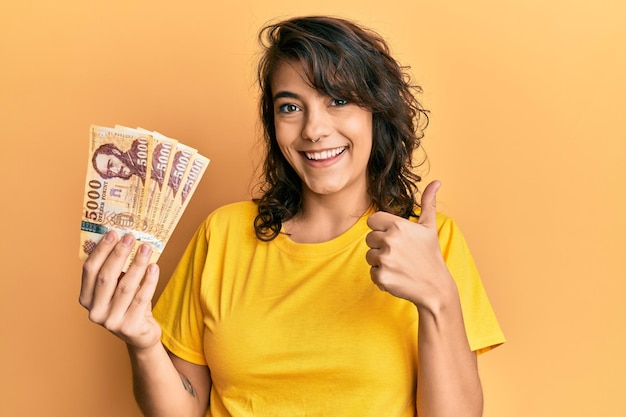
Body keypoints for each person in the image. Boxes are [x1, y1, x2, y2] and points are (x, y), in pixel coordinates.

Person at [79, 15, 504, 417]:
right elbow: (184, 409)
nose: (313, 129)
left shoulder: (430, 240)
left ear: (377, 111)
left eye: (338, 100)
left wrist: (439, 300)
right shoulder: (222, 233)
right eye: (290, 107)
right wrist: (144, 343)